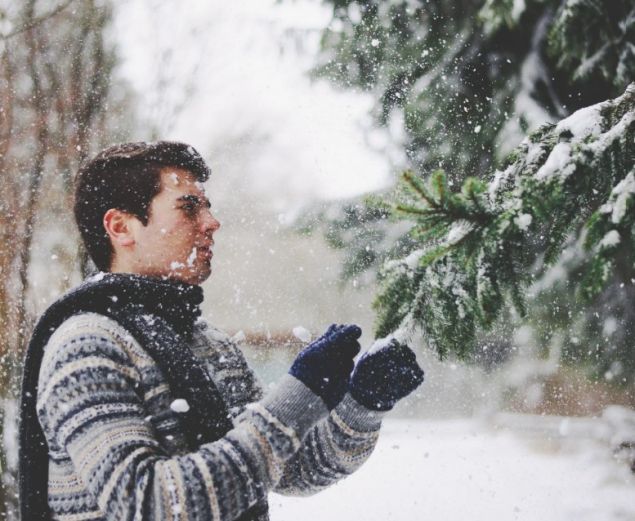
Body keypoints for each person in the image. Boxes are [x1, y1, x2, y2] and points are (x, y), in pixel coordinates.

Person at [19, 141, 424, 521]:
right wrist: (295, 399)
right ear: (122, 227)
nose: (212, 223)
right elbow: (149, 503)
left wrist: (362, 404)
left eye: (207, 208)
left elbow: (287, 468)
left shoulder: (206, 342)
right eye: (188, 208)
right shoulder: (87, 344)